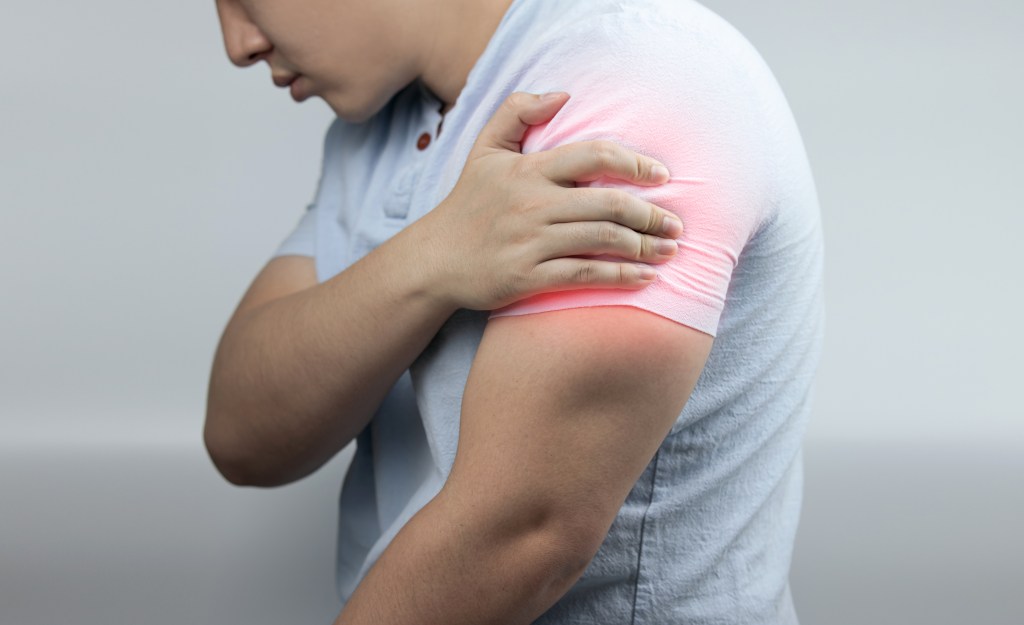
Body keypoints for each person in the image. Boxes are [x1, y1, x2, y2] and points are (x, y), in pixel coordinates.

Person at [204, 0, 825, 623]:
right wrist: (432, 258)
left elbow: (520, 536)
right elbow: (242, 436)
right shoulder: (376, 128)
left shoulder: (640, 78)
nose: (238, 44)